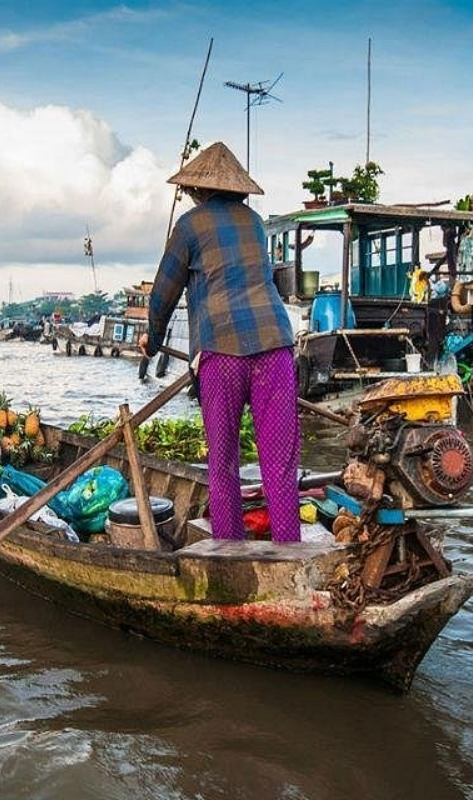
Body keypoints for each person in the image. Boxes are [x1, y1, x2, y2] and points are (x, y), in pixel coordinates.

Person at [138, 141, 300, 543]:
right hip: (275, 346)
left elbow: (163, 292)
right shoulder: (256, 223)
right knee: (279, 462)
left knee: (223, 461)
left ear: (197, 190)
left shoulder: (189, 226)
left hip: (223, 353)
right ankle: (288, 549)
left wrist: (153, 341)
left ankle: (229, 548)